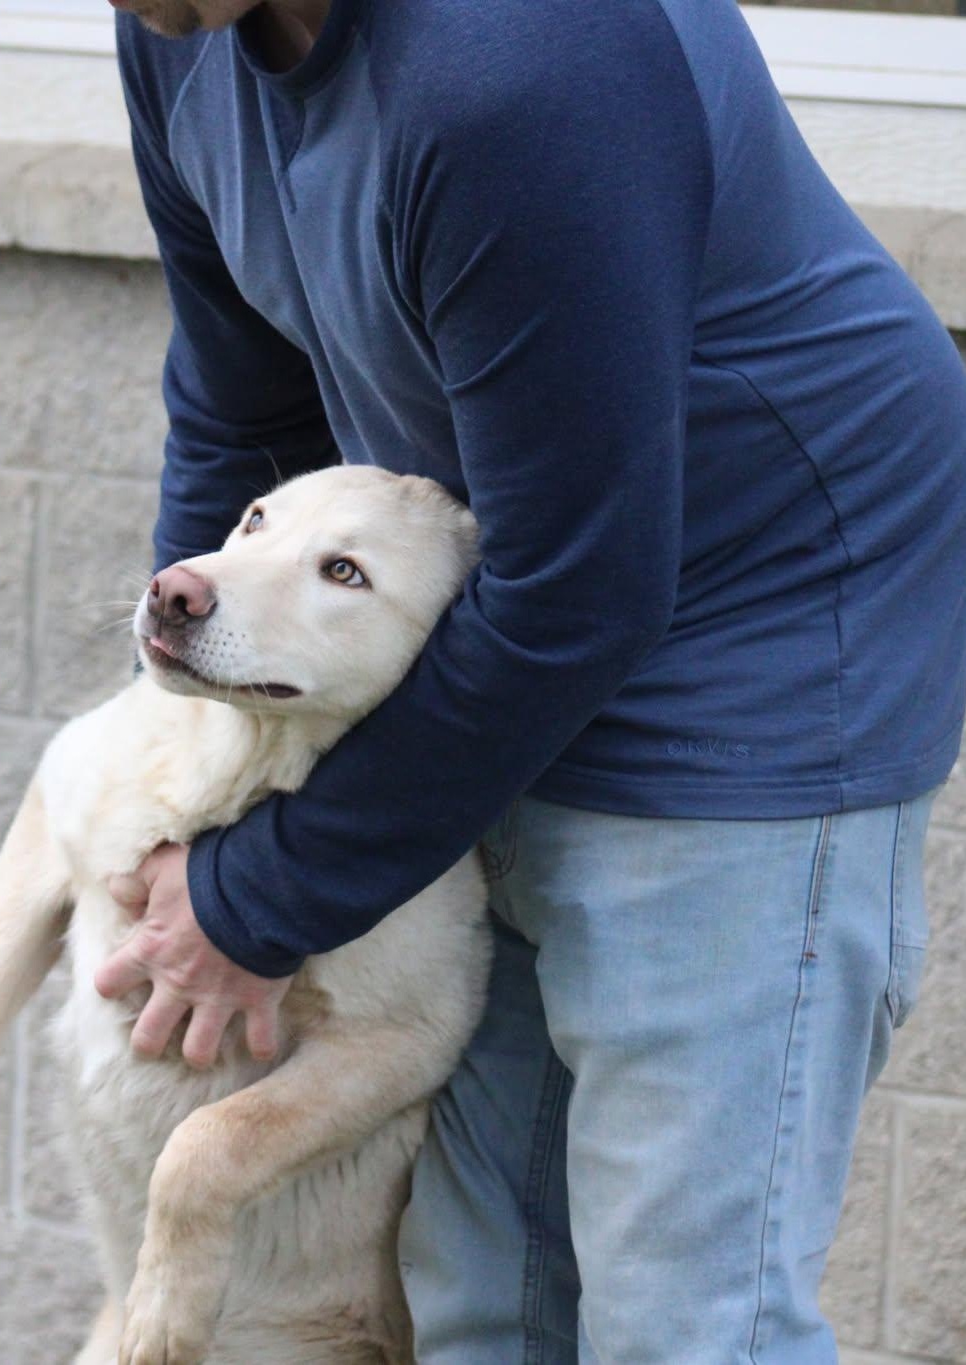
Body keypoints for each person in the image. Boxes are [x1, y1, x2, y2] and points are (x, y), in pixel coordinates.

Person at [91, 0, 966, 1357]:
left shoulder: (529, 58)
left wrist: (260, 895)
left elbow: (583, 587)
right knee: (485, 1295)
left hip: (754, 655)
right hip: (491, 656)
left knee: (686, 1316)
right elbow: (243, 409)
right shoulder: (176, 26)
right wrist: (188, 786)